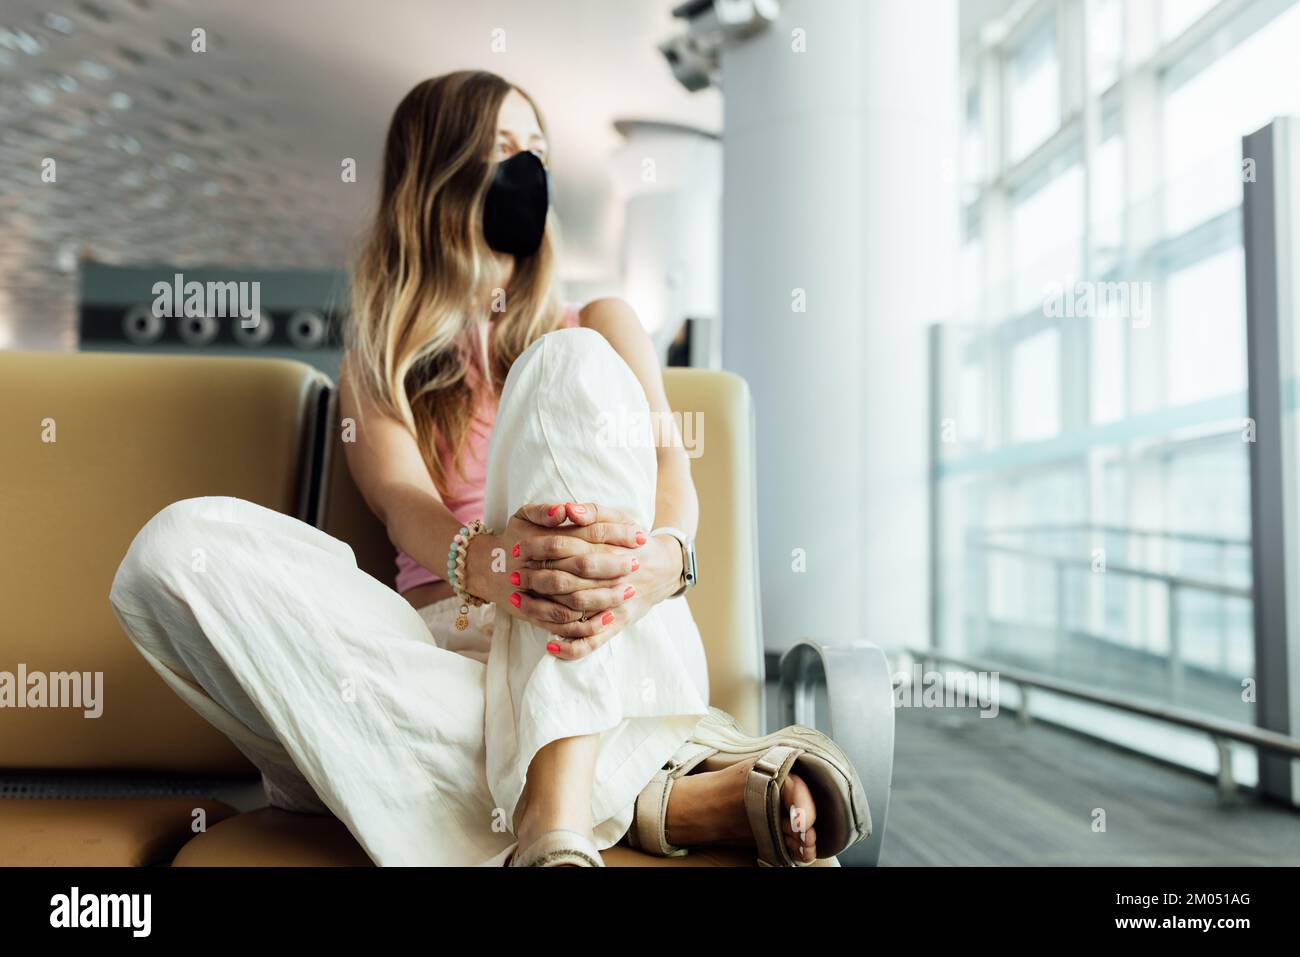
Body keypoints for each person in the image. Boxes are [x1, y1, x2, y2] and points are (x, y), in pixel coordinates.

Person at [109, 70, 869, 867]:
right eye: (503, 148)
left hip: (602, 621)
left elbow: (670, 472)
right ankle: (658, 797)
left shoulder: (600, 322)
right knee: (171, 551)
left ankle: (552, 818)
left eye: (537, 149)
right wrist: (491, 561)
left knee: (570, 359)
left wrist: (666, 559)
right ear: (436, 174)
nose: (527, 169)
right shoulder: (381, 355)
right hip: (436, 653)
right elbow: (402, 501)